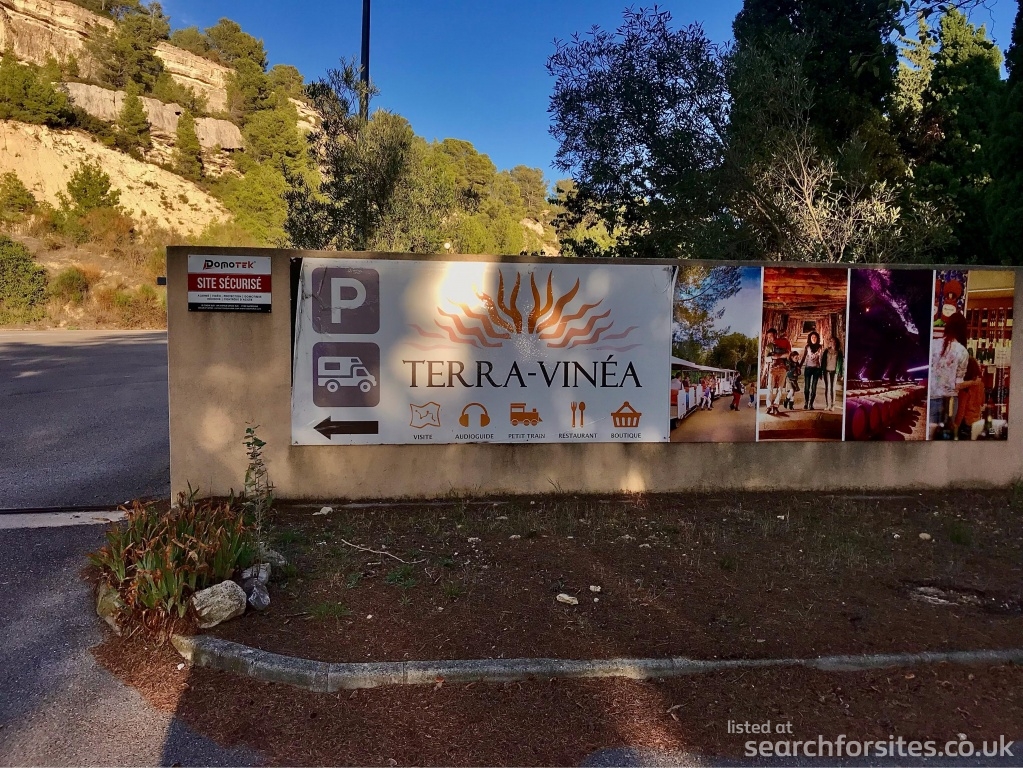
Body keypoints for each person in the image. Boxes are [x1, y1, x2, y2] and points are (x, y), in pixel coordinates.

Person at [929, 311, 969, 439]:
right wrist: (974, 383)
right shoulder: (962, 351)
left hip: (931, 398)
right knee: (945, 440)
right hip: (950, 402)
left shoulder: (933, 345)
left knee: (929, 437)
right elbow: (958, 385)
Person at [952, 356, 985, 440]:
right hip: (976, 420)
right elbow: (982, 402)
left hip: (965, 422)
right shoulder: (980, 384)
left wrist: (955, 425)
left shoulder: (965, 388)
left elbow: (961, 409)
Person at [763, 328, 792, 416]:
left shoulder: (785, 342)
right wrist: (773, 357)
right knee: (770, 387)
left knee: (780, 388)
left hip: (783, 368)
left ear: (776, 335)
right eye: (768, 337)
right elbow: (766, 358)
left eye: (771, 336)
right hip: (772, 368)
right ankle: (769, 406)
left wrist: (778, 356)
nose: (769, 338)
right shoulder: (769, 346)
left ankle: (776, 406)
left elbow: (788, 354)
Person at [800, 331, 824, 410]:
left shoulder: (820, 347)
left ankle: (811, 404)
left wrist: (821, 371)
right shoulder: (807, 347)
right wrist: (799, 366)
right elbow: (804, 357)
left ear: (817, 338)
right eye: (812, 337)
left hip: (816, 369)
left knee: (814, 387)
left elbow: (821, 359)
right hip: (808, 368)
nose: (814, 339)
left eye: (815, 337)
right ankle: (806, 402)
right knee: (807, 387)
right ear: (810, 338)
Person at [822, 336, 842, 411]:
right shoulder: (826, 351)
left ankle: (833, 405)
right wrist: (821, 371)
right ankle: (827, 405)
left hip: (834, 372)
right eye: (830, 341)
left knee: (833, 388)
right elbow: (823, 361)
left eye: (832, 341)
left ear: (835, 342)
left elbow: (841, 363)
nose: (831, 342)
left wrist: (841, 374)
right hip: (827, 371)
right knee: (827, 388)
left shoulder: (839, 352)